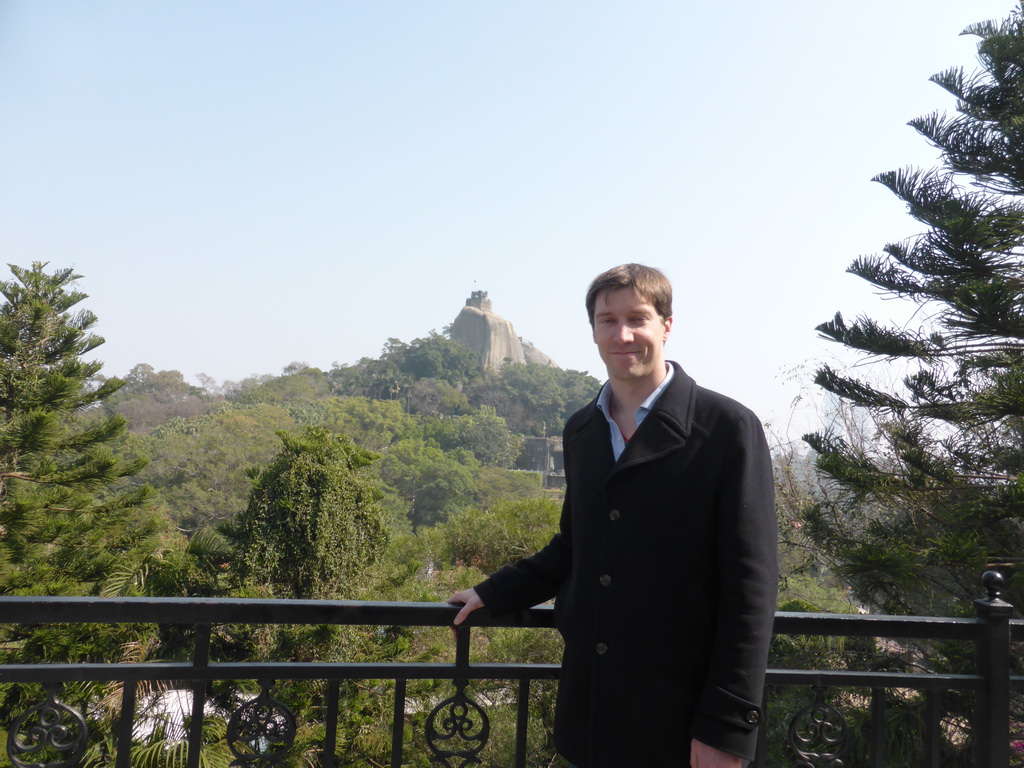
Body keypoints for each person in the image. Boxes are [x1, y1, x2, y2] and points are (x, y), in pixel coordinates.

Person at [448, 263, 777, 768]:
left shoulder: (727, 429)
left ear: (666, 324)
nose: (622, 335)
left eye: (637, 318)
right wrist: (495, 592)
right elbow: (575, 544)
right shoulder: (582, 429)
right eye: (607, 321)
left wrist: (727, 727)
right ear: (594, 331)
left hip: (681, 717)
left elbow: (751, 588)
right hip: (592, 709)